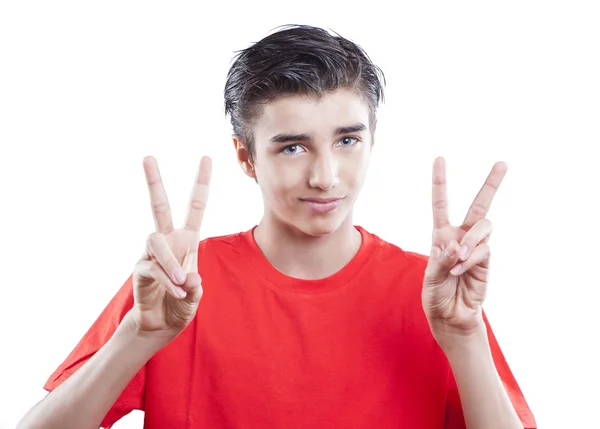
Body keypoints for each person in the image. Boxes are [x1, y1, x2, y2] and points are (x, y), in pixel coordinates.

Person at [17, 24, 536, 429]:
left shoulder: (435, 294)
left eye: (347, 140)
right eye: (293, 146)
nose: (325, 175)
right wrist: (138, 335)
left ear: (372, 139)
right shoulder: (179, 284)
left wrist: (464, 336)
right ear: (245, 157)